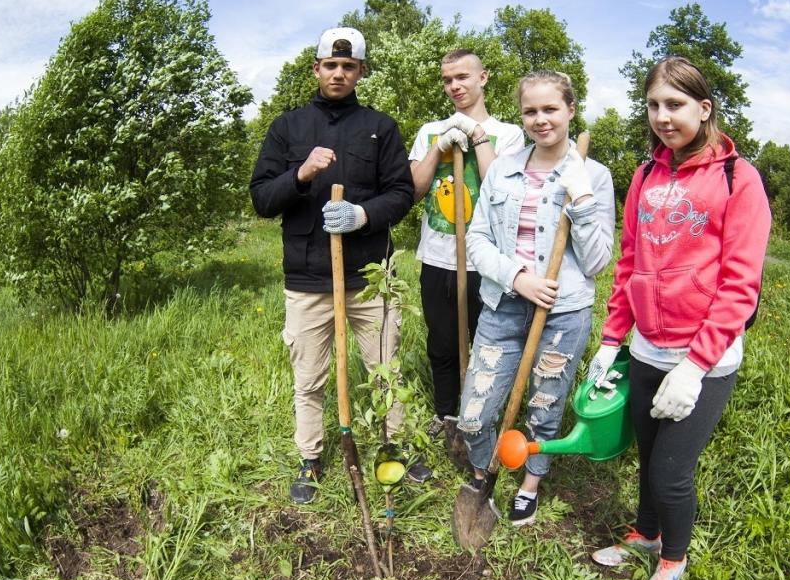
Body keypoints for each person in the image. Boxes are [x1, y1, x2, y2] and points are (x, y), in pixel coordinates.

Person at [587, 56, 771, 580]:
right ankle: (646, 535)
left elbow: (741, 284)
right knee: (646, 457)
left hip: (703, 360)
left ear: (704, 108)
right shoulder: (644, 175)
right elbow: (628, 265)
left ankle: (674, 559)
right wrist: (611, 340)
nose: (663, 117)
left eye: (676, 104)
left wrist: (695, 365)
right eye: (653, 105)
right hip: (646, 349)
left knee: (671, 472)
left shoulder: (740, 179)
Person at [249, 27, 429, 504]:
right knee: (308, 378)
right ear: (316, 69)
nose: (339, 73)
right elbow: (262, 199)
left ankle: (396, 447)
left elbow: (402, 193)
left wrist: (362, 215)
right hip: (309, 280)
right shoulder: (288, 127)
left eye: (348, 66)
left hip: (371, 279)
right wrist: (300, 175)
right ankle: (310, 458)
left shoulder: (380, 127)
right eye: (331, 65)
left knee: (385, 369)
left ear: (360, 72)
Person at [455, 70, 615, 526]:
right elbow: (479, 237)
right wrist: (518, 276)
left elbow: (598, 261)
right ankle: (483, 475)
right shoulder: (504, 166)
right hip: (504, 303)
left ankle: (530, 483)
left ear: (570, 110)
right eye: (531, 111)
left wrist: (581, 198)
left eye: (550, 109)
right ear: (521, 115)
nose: (541, 119)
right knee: (473, 413)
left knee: (545, 404)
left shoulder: (594, 175)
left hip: (563, 312)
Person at [407, 49, 525, 447]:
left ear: (482, 78)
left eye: (462, 77)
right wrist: (439, 147)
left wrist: (476, 136)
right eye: (447, 80)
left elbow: (500, 190)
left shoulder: (508, 134)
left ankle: (481, 419)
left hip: (485, 261)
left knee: (486, 344)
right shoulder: (428, 130)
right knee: (441, 342)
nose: (454, 86)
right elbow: (415, 188)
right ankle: (447, 414)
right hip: (438, 258)